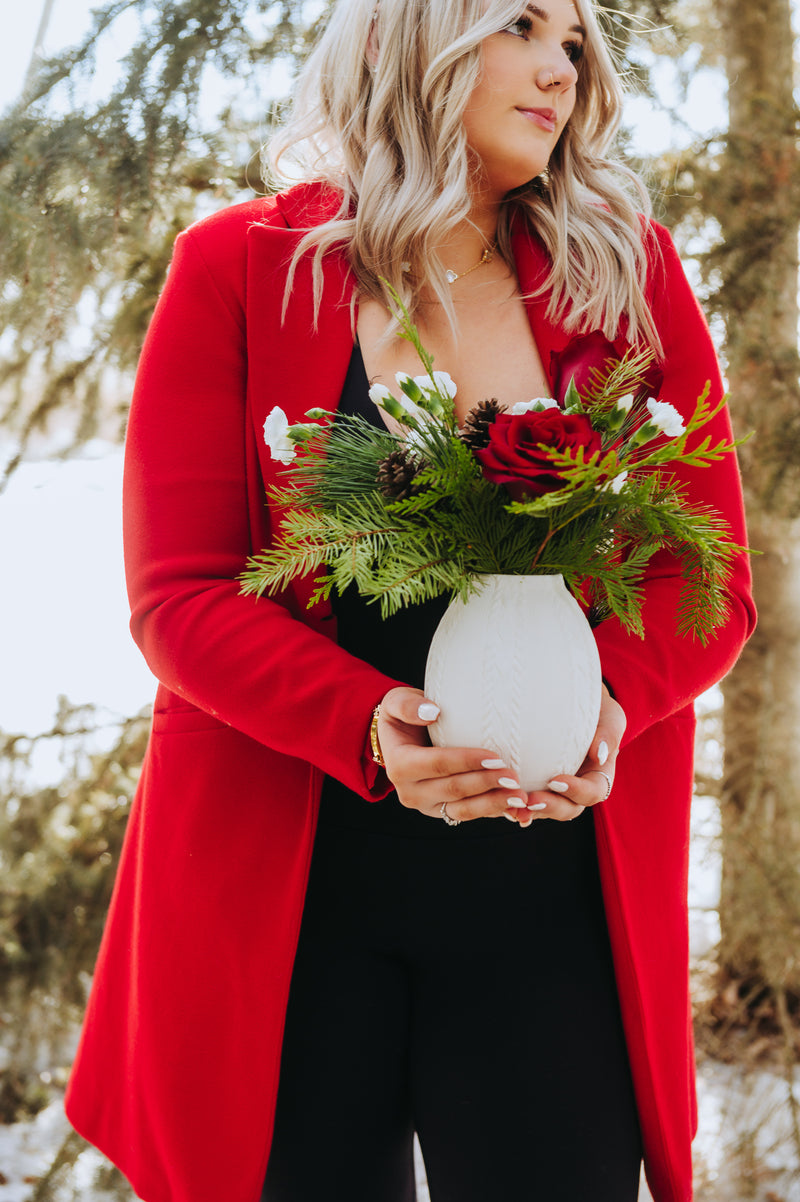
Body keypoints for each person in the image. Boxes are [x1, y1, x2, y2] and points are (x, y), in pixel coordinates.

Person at [64, 0, 755, 1199]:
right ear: (411, 35)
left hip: (553, 899)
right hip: (290, 906)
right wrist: (364, 723)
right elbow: (180, 594)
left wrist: (608, 703)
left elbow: (704, 576)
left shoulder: (623, 270)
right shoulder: (236, 267)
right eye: (520, 25)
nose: (560, 68)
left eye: (572, 43)